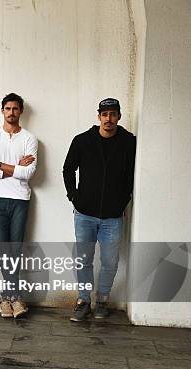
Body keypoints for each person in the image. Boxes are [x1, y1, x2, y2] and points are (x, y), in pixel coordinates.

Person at [63, 98, 136, 321]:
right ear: (99, 117)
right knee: (83, 259)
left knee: (110, 262)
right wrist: (74, 196)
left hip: (113, 216)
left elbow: (133, 174)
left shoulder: (128, 142)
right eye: (105, 115)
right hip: (84, 214)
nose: (108, 119)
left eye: (113, 114)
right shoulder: (82, 141)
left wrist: (124, 199)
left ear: (119, 117)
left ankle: (102, 300)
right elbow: (68, 169)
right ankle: (84, 300)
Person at [0, 93, 38, 318]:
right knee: (2, 249)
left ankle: (7, 298)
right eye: (7, 108)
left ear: (20, 111)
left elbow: (29, 173)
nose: (11, 112)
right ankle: (14, 297)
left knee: (15, 248)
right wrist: (15, 168)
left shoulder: (30, 139)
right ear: (2, 111)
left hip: (20, 200)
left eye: (15, 108)